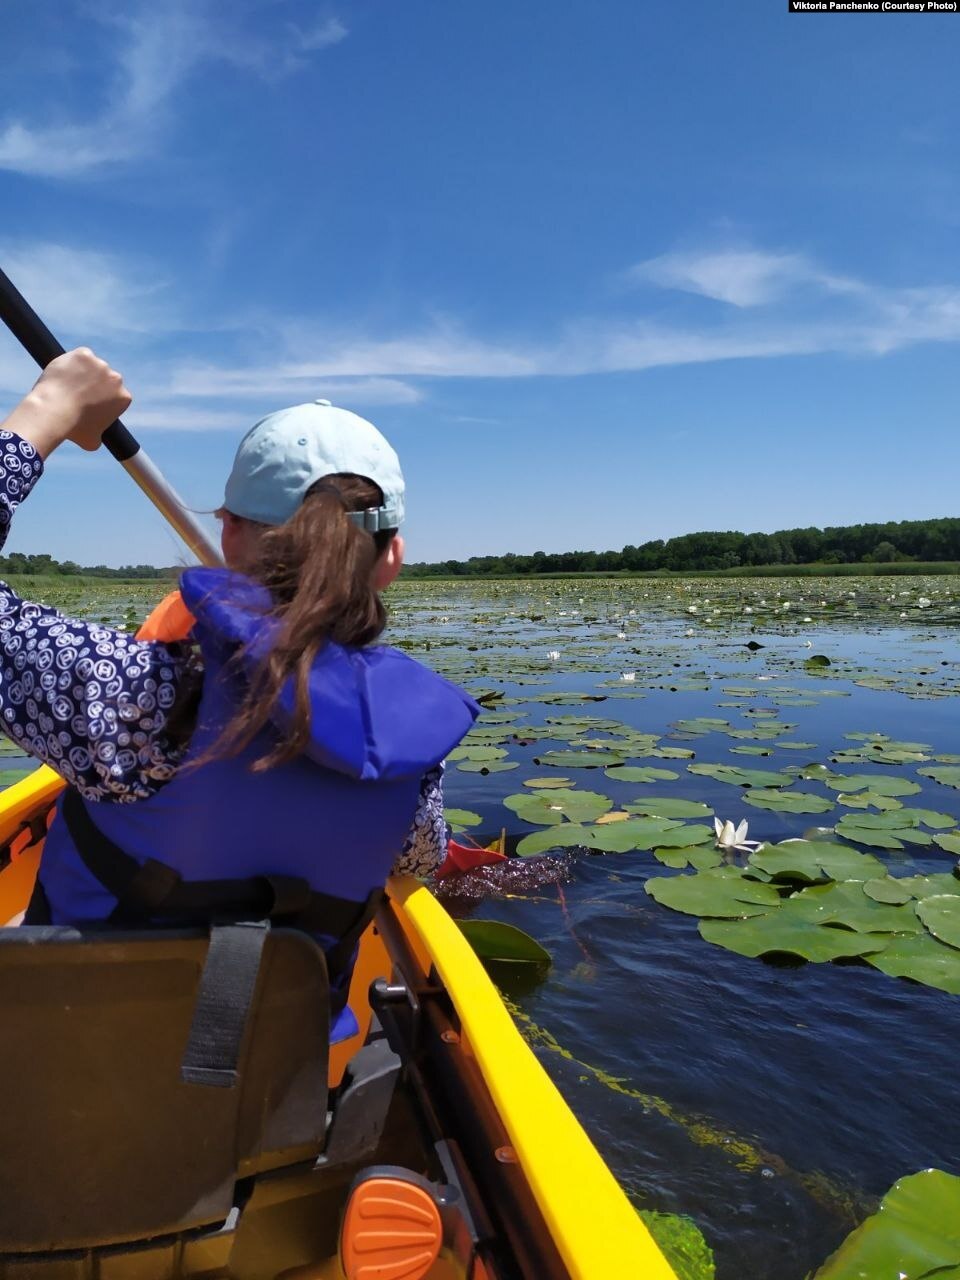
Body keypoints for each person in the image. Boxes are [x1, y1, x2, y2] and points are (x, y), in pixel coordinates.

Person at [0, 348, 477, 1012]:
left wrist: (47, 410)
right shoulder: (408, 757)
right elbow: (420, 860)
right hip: (269, 1107)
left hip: (76, 1076)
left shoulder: (132, 696)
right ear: (390, 558)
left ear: (229, 535)